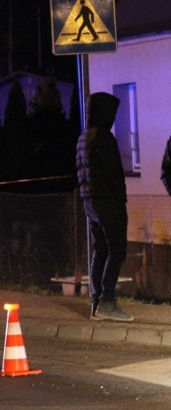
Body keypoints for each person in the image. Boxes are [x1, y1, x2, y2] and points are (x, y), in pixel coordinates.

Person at [75, 92, 133, 322]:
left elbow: (80, 172)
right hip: (108, 201)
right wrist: (121, 200)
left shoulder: (83, 137)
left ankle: (96, 302)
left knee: (100, 249)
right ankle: (108, 301)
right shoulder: (104, 138)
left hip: (90, 201)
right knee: (116, 250)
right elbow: (114, 173)